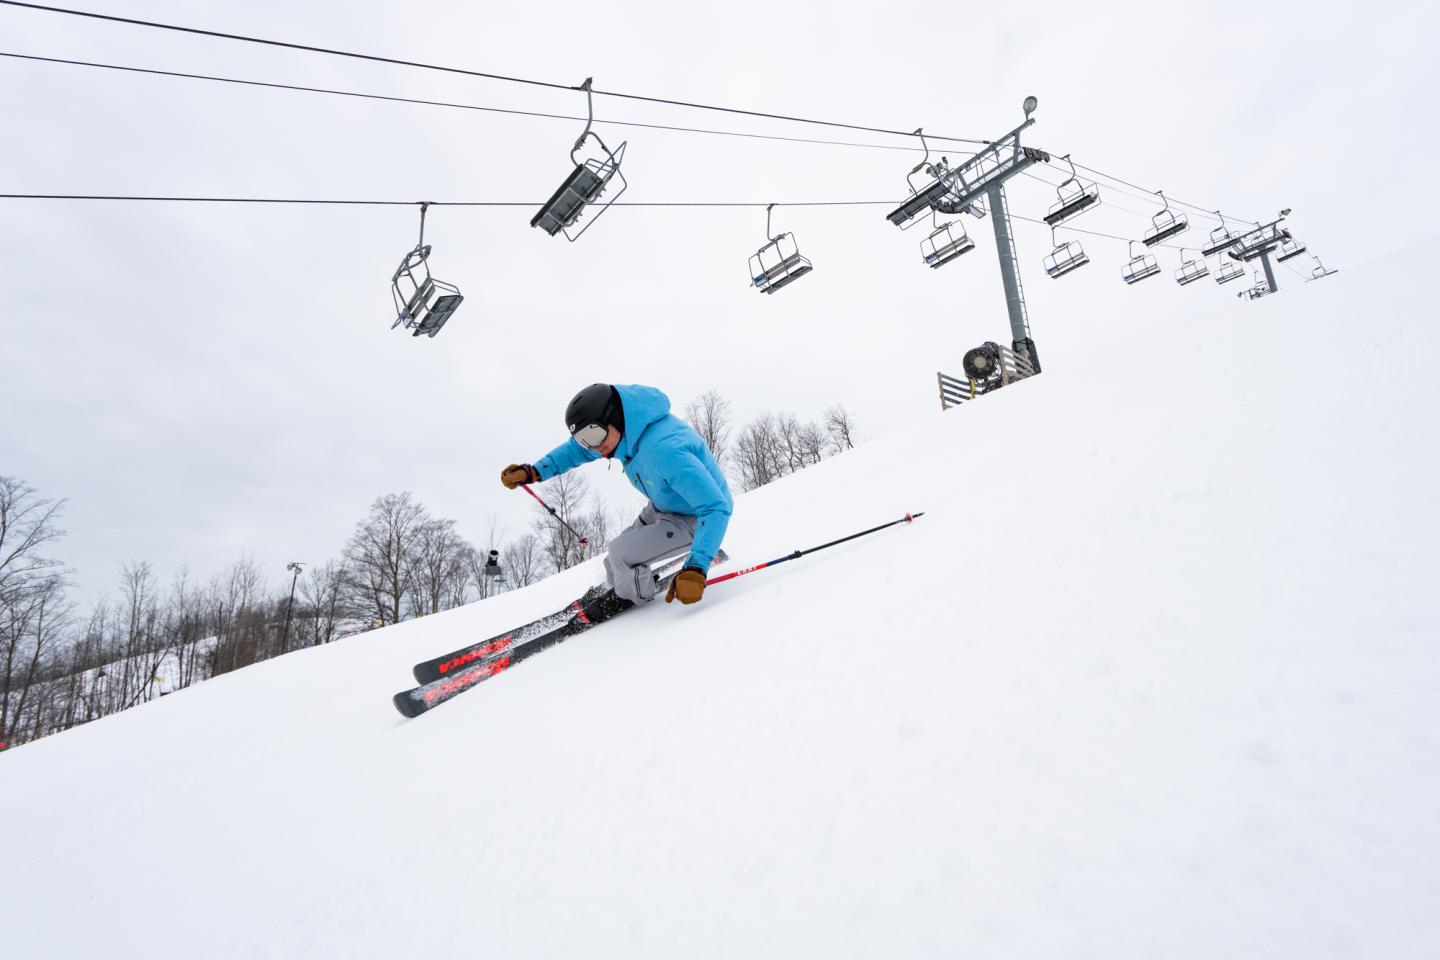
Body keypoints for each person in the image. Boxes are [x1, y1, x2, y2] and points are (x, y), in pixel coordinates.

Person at [501, 383, 732, 613]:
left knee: (621, 555)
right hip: (666, 504)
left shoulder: (665, 450)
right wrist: (535, 471)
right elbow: (575, 451)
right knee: (612, 561)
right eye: (584, 438)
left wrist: (697, 567)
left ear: (617, 418)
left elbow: (715, 507)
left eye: (593, 433)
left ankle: (632, 600)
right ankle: (620, 585)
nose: (593, 446)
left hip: (695, 516)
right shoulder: (624, 434)